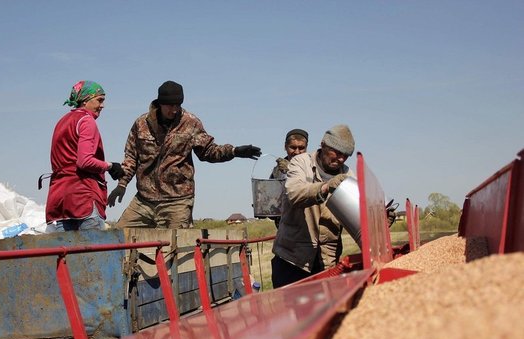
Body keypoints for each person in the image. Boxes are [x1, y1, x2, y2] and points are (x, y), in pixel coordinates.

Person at [108, 80, 262, 228]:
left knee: (176, 244)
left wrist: (234, 151)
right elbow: (131, 156)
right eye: (170, 105)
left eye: (178, 105)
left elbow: (208, 151)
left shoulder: (190, 123)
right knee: (118, 237)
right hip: (144, 200)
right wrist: (122, 184)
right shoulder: (141, 124)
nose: (174, 110)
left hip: (177, 201)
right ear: (160, 103)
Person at [271, 124, 356, 288]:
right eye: (337, 153)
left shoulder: (348, 175)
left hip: (326, 262)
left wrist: (378, 217)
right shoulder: (300, 163)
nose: (341, 159)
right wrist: (325, 187)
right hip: (292, 259)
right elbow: (295, 194)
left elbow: (355, 214)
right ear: (323, 145)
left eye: (345, 155)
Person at [45, 80, 124, 231]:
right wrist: (110, 166)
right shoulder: (86, 121)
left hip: (59, 200)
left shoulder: (62, 122)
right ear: (86, 100)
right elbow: (85, 161)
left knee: (64, 246)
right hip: (82, 197)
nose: (102, 105)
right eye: (99, 100)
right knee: (92, 246)